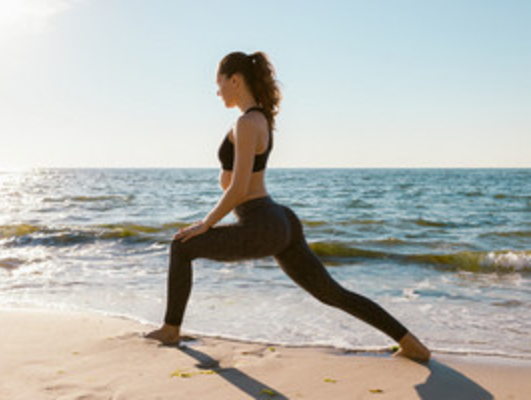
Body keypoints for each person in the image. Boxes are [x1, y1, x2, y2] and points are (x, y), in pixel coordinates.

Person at [146, 51, 431, 362]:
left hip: (260, 221)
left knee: (181, 246)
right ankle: (411, 343)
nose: (217, 92)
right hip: (280, 219)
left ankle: (170, 329)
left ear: (235, 80)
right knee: (331, 293)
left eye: (219, 84)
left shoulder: (245, 123)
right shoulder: (262, 119)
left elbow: (239, 188)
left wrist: (206, 223)